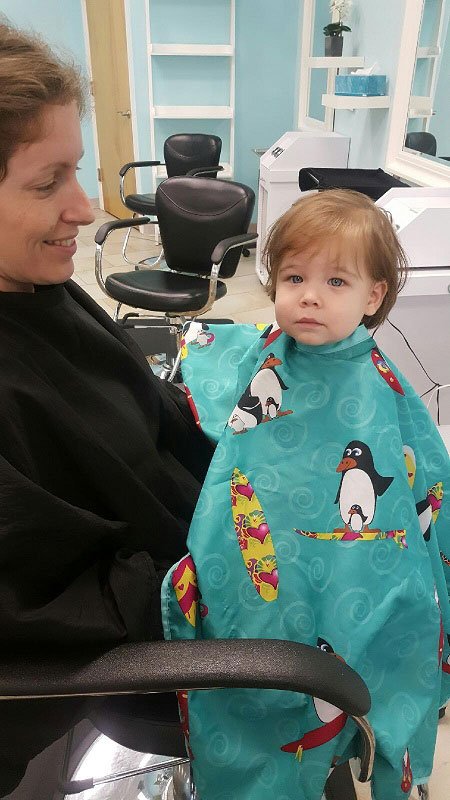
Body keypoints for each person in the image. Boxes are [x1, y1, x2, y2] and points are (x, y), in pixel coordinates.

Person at [162, 190, 450, 799]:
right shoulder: (267, 351)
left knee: (367, 632)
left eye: (336, 281)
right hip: (260, 558)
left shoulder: (382, 386)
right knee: (253, 655)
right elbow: (228, 389)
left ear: (373, 296)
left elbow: (425, 485)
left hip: (357, 561)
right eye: (294, 278)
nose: (309, 296)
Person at [0, 20, 215, 796]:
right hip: (169, 642)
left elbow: (147, 414)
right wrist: (230, 570)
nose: (86, 208)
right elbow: (45, 610)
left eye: (79, 172)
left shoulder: (37, 291)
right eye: (47, 183)